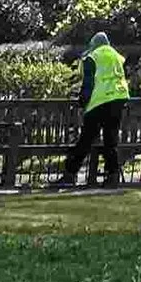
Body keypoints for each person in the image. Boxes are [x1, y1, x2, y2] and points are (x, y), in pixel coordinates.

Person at [53, 28, 130, 189]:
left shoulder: (92, 57)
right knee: (111, 140)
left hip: (100, 101)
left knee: (86, 139)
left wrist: (82, 102)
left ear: (93, 45)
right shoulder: (116, 56)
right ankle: (112, 177)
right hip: (119, 99)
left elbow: (88, 84)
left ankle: (69, 175)